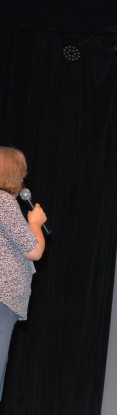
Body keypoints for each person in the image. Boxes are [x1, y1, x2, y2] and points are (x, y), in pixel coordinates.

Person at [0, 146, 47, 401]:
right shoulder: (4, 202)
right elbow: (34, 250)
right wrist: (35, 223)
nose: (23, 179)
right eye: (21, 173)